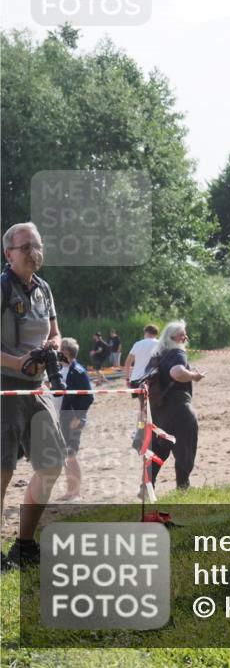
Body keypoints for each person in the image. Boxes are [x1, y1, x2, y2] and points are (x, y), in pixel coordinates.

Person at [0, 222, 67, 570]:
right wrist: (18, 362)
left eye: (37, 245)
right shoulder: (1, 287)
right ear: (8, 253)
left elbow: (56, 332)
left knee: (52, 463)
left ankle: (23, 544)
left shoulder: (44, 288)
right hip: (3, 389)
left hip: (37, 388)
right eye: (25, 247)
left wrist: (52, 347)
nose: (33, 252)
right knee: (2, 470)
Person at [146, 320, 204, 493]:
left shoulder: (157, 354)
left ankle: (148, 487)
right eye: (182, 335)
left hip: (157, 411)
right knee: (184, 449)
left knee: (158, 450)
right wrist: (194, 376)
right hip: (178, 409)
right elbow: (177, 373)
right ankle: (183, 487)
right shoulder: (177, 352)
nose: (185, 337)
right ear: (173, 338)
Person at [54, 338, 94, 502]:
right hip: (61, 417)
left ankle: (76, 492)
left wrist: (78, 417)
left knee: (71, 455)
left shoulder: (78, 371)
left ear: (66, 353)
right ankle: (70, 491)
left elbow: (88, 397)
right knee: (67, 455)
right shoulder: (60, 369)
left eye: (59, 351)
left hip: (72, 418)